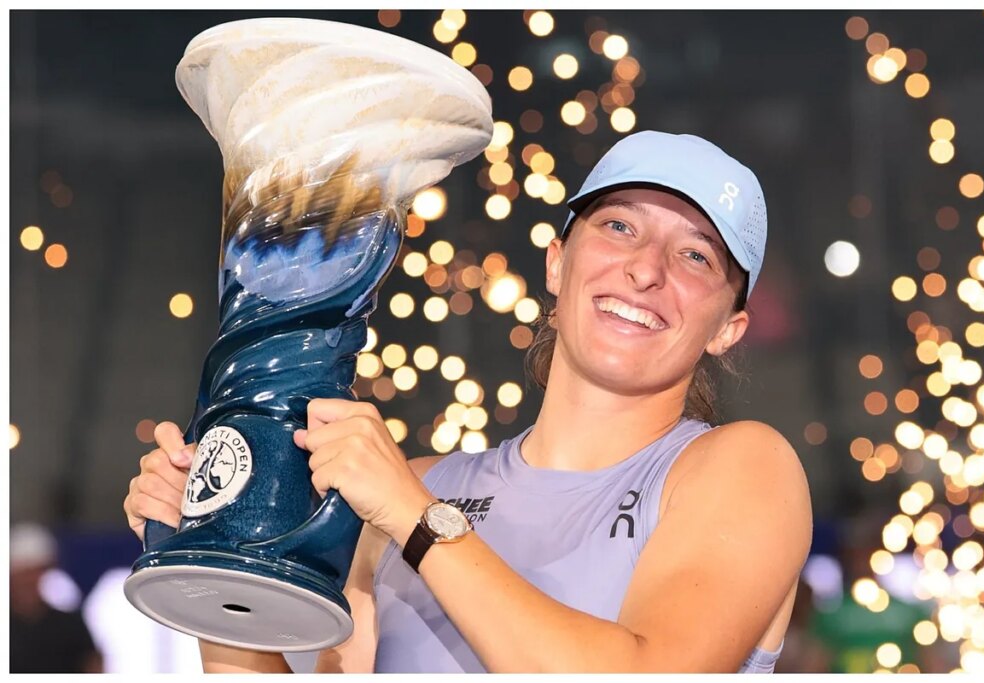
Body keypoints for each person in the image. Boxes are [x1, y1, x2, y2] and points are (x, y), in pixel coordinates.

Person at [124, 130, 812, 673]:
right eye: (619, 227)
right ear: (557, 263)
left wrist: (417, 519)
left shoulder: (744, 468)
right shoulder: (413, 486)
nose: (646, 269)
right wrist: (214, 557)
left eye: (696, 256)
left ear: (728, 328)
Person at [9, 522, 104, 673]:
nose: (29, 580)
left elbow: (93, 667)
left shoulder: (71, 626)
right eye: (23, 573)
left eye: (36, 572)